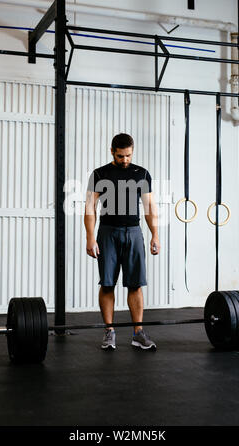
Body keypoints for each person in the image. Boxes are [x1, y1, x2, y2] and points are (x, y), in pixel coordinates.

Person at [84, 133, 160, 350]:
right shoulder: (100, 174)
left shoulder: (142, 174)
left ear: (132, 151)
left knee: (135, 284)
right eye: (120, 156)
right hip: (108, 232)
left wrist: (155, 234)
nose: (124, 160)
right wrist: (90, 238)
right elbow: (90, 208)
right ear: (112, 152)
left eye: (128, 155)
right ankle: (109, 332)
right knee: (107, 283)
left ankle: (138, 333)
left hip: (134, 232)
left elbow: (149, 207)